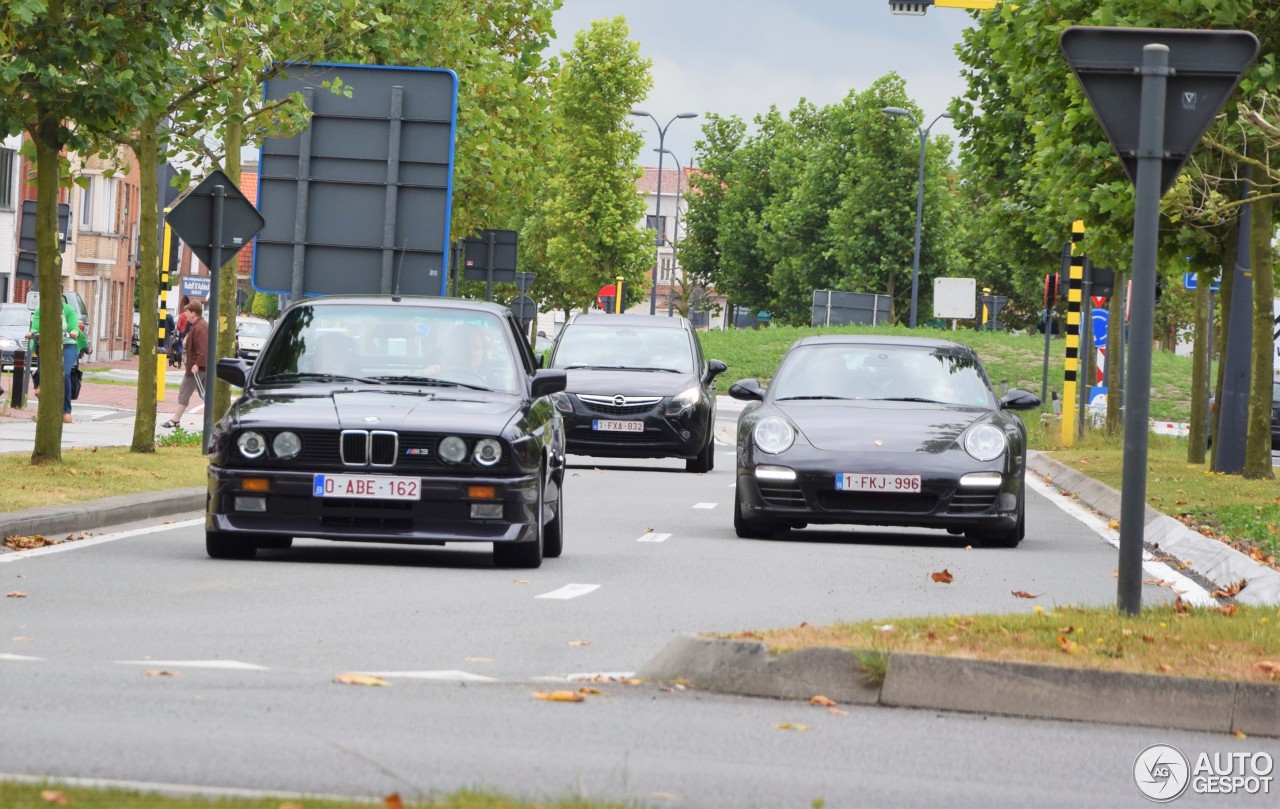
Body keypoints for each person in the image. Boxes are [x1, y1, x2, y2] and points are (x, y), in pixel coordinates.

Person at [26, 295, 82, 423]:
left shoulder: (68, 310)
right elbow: (35, 327)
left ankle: (66, 411)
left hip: (67, 344)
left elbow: (74, 327)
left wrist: (74, 332)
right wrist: (32, 332)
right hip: (48, 343)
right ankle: (38, 385)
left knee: (65, 373)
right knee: (43, 368)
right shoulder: (41, 310)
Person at [161, 300, 208, 430]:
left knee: (184, 391)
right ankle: (216, 418)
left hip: (196, 369)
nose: (185, 314)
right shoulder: (200, 326)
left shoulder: (200, 327)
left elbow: (202, 348)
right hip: (200, 367)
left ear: (193, 313)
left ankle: (175, 420)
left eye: (187, 312)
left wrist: (197, 364)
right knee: (206, 394)